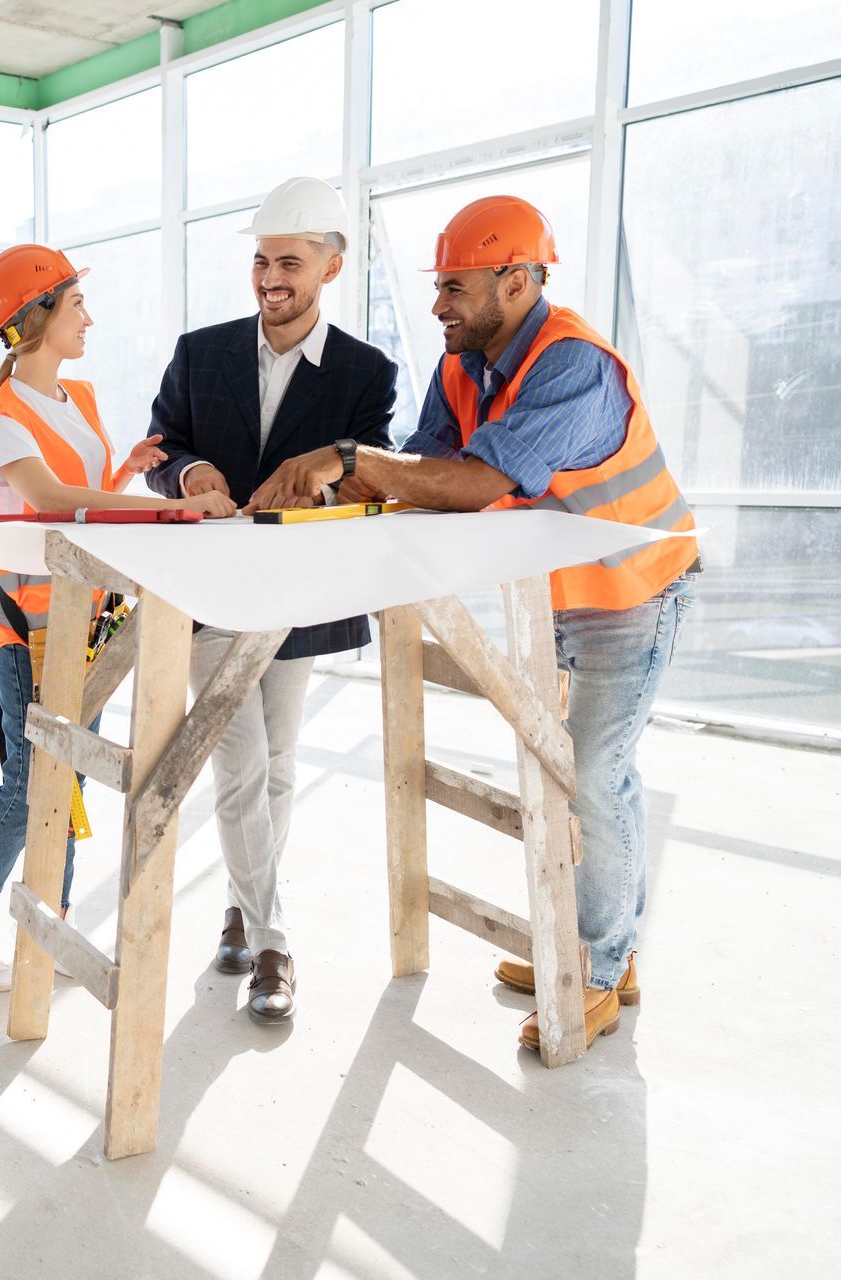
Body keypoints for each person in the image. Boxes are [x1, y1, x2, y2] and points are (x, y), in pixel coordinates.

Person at [248, 195, 700, 1052]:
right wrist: (337, 485)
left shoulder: (573, 366)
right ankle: (603, 945)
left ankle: (600, 969)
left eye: (456, 286)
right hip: (557, 597)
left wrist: (350, 460)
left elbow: (476, 483)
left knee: (596, 776)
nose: (438, 305)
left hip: (633, 593)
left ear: (519, 281)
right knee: (572, 772)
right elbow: (423, 471)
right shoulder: (464, 363)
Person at [0, 244, 238, 991]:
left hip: (90, 616)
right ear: (35, 318)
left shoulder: (83, 400)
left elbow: (87, 494)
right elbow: (53, 503)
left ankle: (53, 926)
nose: (88, 318)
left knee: (65, 781)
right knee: (29, 779)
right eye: (75, 306)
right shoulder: (2, 420)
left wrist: (125, 472)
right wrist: (172, 507)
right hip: (30, 623)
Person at [143, 176, 398, 1022]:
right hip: (211, 595)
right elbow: (159, 446)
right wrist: (189, 472)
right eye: (260, 261)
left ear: (331, 265)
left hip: (297, 594)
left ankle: (241, 910)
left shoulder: (366, 374)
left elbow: (374, 471)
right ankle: (276, 944)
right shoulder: (200, 351)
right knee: (241, 761)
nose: (269, 279)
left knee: (279, 765)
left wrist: (324, 490)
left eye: (289, 261)